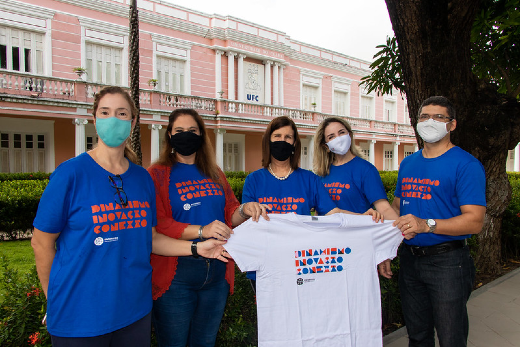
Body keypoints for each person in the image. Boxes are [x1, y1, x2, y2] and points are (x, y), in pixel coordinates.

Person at [31, 86, 230, 347]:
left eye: (122, 113)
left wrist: (197, 248)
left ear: (133, 122)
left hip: (134, 313)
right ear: (94, 119)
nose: (113, 119)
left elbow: (152, 239)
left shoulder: (141, 179)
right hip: (80, 316)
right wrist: (54, 298)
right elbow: (41, 243)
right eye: (105, 112)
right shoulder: (70, 174)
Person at [148, 108, 268, 347]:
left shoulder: (214, 172)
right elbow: (160, 224)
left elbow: (229, 213)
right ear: (169, 136)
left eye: (192, 130)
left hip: (217, 273)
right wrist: (202, 230)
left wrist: (244, 210)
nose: (186, 135)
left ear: (202, 135)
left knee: (205, 342)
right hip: (177, 274)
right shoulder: (156, 175)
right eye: (179, 131)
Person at [242, 116, 380, 288]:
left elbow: (333, 213)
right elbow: (245, 220)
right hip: (265, 266)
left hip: (300, 264)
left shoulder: (310, 179)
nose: (282, 141)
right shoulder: (253, 180)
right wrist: (244, 209)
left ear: (294, 144)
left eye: (288, 137)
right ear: (268, 141)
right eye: (277, 136)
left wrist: (363, 217)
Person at [391, 96, 486, 347]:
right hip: (410, 260)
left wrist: (427, 225)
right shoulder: (408, 163)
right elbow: (398, 207)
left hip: (447, 263)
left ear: (452, 125)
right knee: (418, 336)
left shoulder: (466, 164)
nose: (430, 121)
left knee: (451, 337)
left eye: (439, 117)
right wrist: (377, 218)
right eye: (424, 117)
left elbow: (475, 221)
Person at [313, 116, 399, 278]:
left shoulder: (365, 170)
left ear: (350, 135)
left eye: (341, 133)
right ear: (326, 146)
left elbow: (384, 208)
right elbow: (320, 214)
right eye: (331, 137)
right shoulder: (322, 174)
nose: (338, 138)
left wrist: (401, 231)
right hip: (329, 248)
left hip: (359, 245)